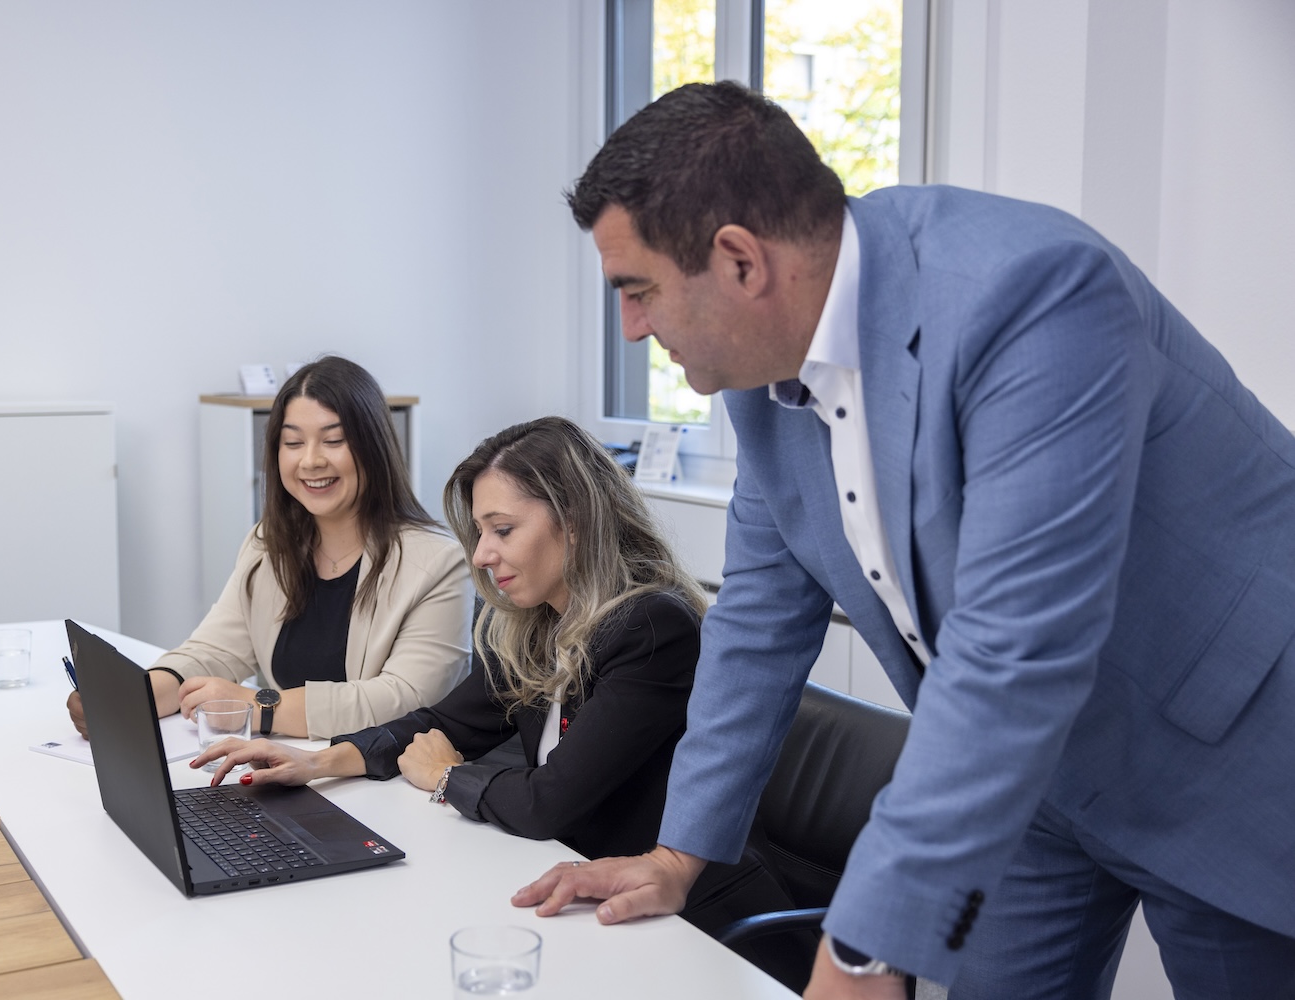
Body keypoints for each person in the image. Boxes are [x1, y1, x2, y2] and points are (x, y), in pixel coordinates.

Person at [512, 81, 1295, 1000]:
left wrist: (863, 949)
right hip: (1021, 784)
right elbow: (758, 626)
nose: (632, 328)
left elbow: (1015, 650)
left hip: (1226, 748)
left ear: (738, 260)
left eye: (637, 291)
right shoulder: (760, 386)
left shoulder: (1032, 293)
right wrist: (680, 854)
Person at [194, 416, 798, 958]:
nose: (482, 554)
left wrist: (448, 777)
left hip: (697, 925)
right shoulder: (535, 622)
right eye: (481, 532)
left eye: (502, 530)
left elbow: (547, 803)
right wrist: (319, 761)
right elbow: (450, 724)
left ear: (577, 521)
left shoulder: (649, 627)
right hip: (583, 895)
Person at [68, 355, 472, 740]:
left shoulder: (436, 562)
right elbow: (214, 651)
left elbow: (406, 698)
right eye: (292, 443)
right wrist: (133, 699)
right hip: (284, 764)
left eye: (333, 441)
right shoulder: (269, 545)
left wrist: (260, 707)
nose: (310, 461)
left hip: (383, 780)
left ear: (374, 447)